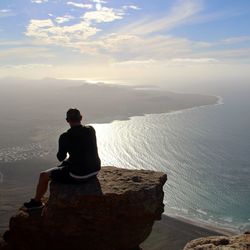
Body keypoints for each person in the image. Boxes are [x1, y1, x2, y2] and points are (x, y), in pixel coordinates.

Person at [24, 108, 101, 210]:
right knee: (66, 163)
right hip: (95, 170)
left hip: (78, 175)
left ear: (67, 120)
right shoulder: (91, 130)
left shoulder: (65, 136)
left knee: (43, 175)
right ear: (81, 118)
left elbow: (61, 157)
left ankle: (37, 202)